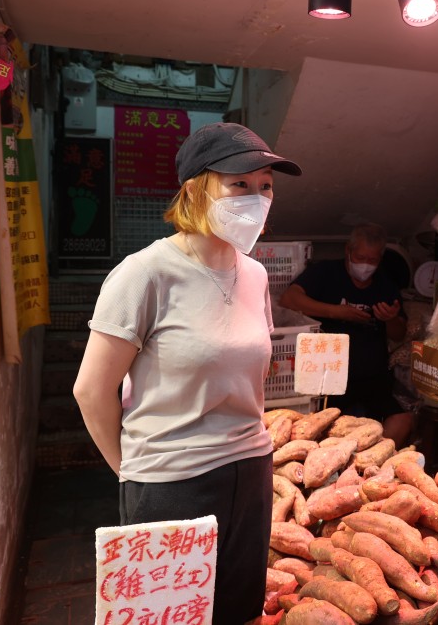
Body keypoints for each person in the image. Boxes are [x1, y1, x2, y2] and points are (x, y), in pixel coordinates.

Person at [73, 122, 302, 624]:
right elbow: (91, 391)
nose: (256, 198)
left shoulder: (256, 274)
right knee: (171, 618)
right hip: (172, 480)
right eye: (238, 184)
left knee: (237, 611)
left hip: (251, 468)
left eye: (265, 185)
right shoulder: (145, 273)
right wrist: (136, 474)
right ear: (197, 188)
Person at [279, 224, 413, 445]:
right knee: (317, 427)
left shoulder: (385, 286)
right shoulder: (325, 273)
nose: (366, 265)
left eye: (373, 260)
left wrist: (390, 318)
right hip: (327, 378)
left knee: (403, 420)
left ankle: (371, 463)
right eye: (361, 257)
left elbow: (399, 335)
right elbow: (289, 300)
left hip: (372, 378)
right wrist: (335, 311)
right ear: (348, 251)